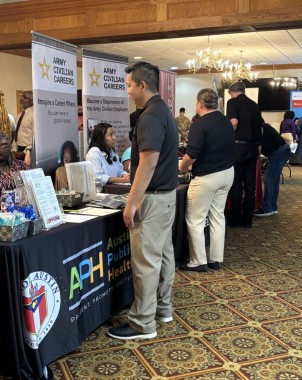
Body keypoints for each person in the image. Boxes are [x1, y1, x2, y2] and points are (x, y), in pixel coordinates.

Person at [108, 62, 178, 340]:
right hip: (166, 197)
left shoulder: (149, 116)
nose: (127, 91)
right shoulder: (162, 110)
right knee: (163, 256)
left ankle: (142, 323)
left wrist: (131, 203)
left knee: (147, 262)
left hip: (152, 199)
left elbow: (148, 163)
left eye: (128, 86)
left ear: (142, 86)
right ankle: (162, 308)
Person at [178, 88, 234, 272]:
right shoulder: (225, 121)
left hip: (207, 177)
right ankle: (215, 259)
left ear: (199, 104)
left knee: (195, 219)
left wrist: (182, 167)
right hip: (227, 172)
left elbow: (192, 153)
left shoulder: (200, 124)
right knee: (217, 215)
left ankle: (198, 261)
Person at [226, 81, 264, 228]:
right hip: (253, 148)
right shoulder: (254, 105)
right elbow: (260, 128)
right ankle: (247, 220)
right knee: (250, 185)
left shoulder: (232, 102)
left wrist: (228, 136)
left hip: (238, 148)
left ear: (233, 92)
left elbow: (234, 122)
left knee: (236, 184)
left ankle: (235, 219)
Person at [254, 123, 291, 216]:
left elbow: (258, 150)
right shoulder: (263, 127)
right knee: (273, 181)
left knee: (268, 179)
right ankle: (272, 207)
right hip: (282, 151)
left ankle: (266, 208)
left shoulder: (258, 129)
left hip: (278, 153)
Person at [85, 122, 130, 190]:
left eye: (114, 134)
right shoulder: (94, 152)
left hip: (112, 191)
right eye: (111, 135)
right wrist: (122, 180)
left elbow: (119, 171)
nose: (115, 138)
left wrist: (125, 175)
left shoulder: (112, 152)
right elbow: (97, 178)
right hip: (99, 194)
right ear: (101, 138)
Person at [12, 91, 34, 160]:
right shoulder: (18, 116)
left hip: (29, 151)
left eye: (24, 97)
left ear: (31, 101)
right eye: (21, 96)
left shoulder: (35, 115)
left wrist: (25, 152)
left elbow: (35, 136)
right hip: (17, 149)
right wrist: (14, 150)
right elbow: (16, 134)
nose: (21, 99)